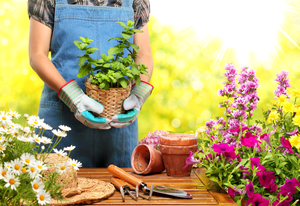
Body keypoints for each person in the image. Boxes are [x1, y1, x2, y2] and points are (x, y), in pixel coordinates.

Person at [28, 0, 153, 167]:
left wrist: (139, 94)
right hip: (62, 119)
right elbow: (37, 54)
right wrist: (73, 97)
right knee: (56, 187)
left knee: (122, 189)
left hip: (117, 125)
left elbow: (143, 53)